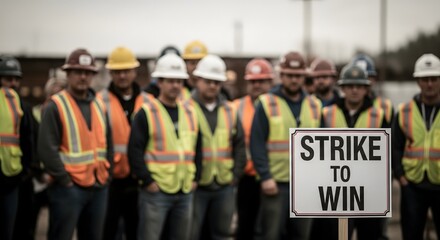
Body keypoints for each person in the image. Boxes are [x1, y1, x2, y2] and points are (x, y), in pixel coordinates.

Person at [38, 48, 113, 240]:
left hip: (98, 186)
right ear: (68, 74)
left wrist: (107, 175)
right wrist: (65, 180)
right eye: (78, 72)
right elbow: (47, 148)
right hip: (68, 189)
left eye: (87, 72)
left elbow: (108, 144)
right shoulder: (56, 105)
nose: (83, 77)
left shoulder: (99, 104)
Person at [128, 53, 202, 240]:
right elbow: (134, 151)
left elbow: (198, 148)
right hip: (156, 192)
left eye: (179, 81)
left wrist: (196, 178)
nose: (175, 85)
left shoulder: (190, 112)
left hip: (184, 190)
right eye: (170, 81)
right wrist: (147, 181)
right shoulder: (146, 113)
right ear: (159, 82)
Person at [250, 51, 321, 240]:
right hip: (276, 184)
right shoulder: (266, 103)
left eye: (298, 76)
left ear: (304, 76)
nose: (294, 80)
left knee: (301, 235)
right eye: (289, 75)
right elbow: (256, 144)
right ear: (281, 76)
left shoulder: (315, 105)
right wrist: (265, 176)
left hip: (306, 185)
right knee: (270, 234)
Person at [322, 64, 389, 240]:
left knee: (370, 234)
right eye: (350, 86)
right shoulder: (326, 113)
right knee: (337, 235)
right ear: (342, 88)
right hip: (336, 190)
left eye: (359, 86)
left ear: (366, 89)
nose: (354, 90)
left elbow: (386, 154)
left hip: (368, 190)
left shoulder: (379, 115)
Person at [189, 54, 246, 240]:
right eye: (208, 81)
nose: (212, 86)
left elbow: (239, 145)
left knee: (222, 234)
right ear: (197, 80)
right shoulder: (186, 108)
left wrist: (235, 176)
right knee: (192, 234)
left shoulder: (230, 110)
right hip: (196, 186)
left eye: (217, 82)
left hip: (224, 185)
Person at [100, 46, 151, 240]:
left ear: (134, 71)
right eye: (117, 71)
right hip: (111, 180)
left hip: (141, 180)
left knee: (137, 231)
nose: (122, 76)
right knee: (108, 231)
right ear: (111, 73)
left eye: (126, 71)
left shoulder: (149, 102)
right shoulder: (100, 101)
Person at [393, 53, 440, 240]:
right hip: (413, 186)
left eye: (434, 79)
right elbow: (395, 146)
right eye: (424, 79)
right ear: (417, 81)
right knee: (411, 235)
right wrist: (401, 176)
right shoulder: (404, 112)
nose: (429, 84)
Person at [234, 58, 274, 240]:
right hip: (247, 177)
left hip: (274, 177)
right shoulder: (236, 107)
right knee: (245, 226)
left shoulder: (278, 106)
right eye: (253, 81)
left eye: (261, 81)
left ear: (270, 82)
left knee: (270, 229)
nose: (256, 85)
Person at [30, 71, 66, 239]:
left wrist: (57, 173)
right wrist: (40, 173)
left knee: (57, 225)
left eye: (59, 93)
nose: (56, 98)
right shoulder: (34, 114)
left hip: (57, 177)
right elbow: (31, 146)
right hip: (37, 178)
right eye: (53, 93)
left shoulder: (67, 117)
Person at [0, 56, 33, 240]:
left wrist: (25, 171)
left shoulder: (22, 106)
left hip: (12, 177)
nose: (12, 83)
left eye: (15, 79)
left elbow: (28, 141)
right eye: (7, 78)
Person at [351, 53, 394, 124]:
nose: (362, 82)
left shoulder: (386, 107)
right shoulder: (336, 108)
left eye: (366, 77)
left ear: (374, 79)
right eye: (358, 78)